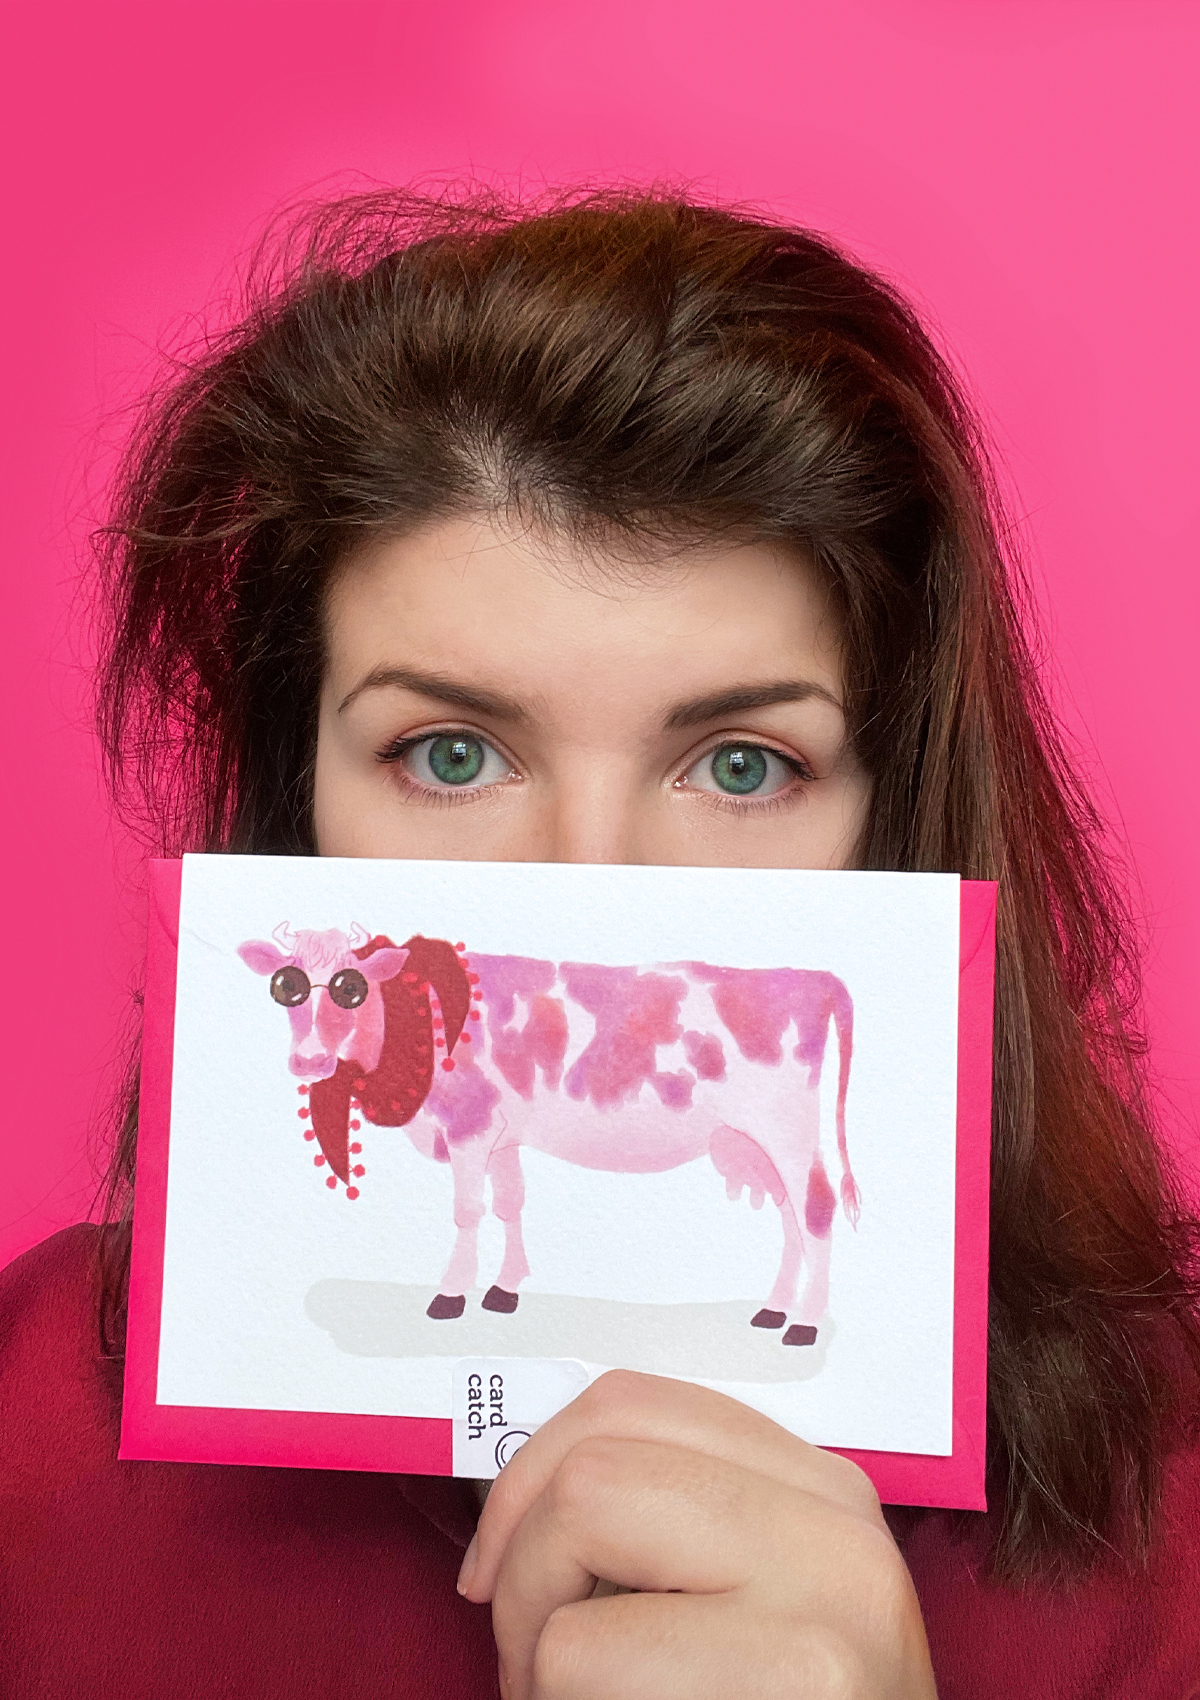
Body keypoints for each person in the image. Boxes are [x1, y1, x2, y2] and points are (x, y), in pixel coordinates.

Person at [2, 188, 1197, 1699]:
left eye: (743, 766)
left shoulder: (1166, 1520)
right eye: (447, 754)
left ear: (896, 820)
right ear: (289, 798)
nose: (589, 888)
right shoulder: (25, 1436)